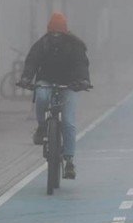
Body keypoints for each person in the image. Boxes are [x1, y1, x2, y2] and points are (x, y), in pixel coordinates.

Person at [17, 12, 91, 180]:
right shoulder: (42, 44)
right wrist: (26, 78)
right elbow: (32, 61)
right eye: (53, 32)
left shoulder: (75, 46)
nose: (56, 35)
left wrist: (84, 80)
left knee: (68, 122)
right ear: (49, 31)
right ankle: (42, 126)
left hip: (70, 85)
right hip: (46, 81)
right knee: (41, 97)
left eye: (59, 32)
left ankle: (69, 160)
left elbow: (81, 64)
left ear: (65, 31)